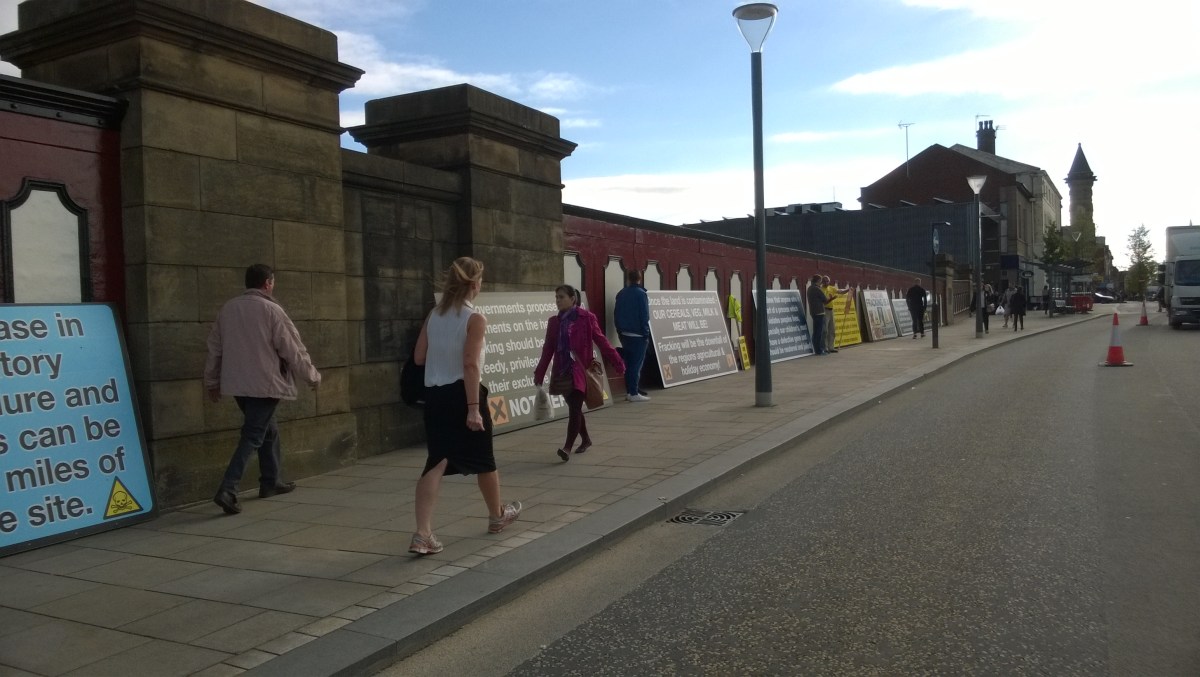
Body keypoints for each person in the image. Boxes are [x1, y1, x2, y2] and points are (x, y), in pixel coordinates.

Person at [409, 257, 521, 554]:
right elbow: (470, 364)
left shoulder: (434, 315)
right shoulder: (475, 319)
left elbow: (419, 357)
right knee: (484, 458)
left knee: (436, 461)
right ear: (475, 284)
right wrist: (473, 408)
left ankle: (422, 534)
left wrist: (442, 353)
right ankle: (496, 517)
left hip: (435, 396)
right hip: (464, 394)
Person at [204, 264, 321, 515]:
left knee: (268, 429)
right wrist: (311, 375)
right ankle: (228, 489)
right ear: (268, 283)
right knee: (253, 434)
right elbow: (292, 349)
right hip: (265, 384)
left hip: (237, 384)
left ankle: (271, 481)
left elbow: (214, 348)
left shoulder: (228, 309)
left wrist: (212, 381)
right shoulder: (272, 310)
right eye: (273, 282)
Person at [534, 285, 625, 462]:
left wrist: (618, 362)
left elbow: (602, 341)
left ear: (573, 299)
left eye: (561, 297)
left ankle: (567, 447)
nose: (557, 300)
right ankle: (586, 439)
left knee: (575, 407)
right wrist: (540, 373)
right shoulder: (554, 322)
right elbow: (548, 349)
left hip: (581, 370)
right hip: (562, 370)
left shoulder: (587, 318)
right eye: (556, 297)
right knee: (574, 407)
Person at [613, 269, 651, 402]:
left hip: (624, 333)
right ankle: (634, 392)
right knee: (636, 365)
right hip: (638, 335)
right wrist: (646, 334)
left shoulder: (621, 293)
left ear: (628, 279)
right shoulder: (642, 294)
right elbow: (644, 315)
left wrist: (619, 330)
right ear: (640, 279)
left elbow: (616, 313)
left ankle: (630, 391)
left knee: (629, 364)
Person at [821, 275, 849, 353]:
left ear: (829, 281)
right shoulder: (820, 289)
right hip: (824, 310)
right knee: (825, 330)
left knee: (832, 329)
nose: (826, 282)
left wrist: (847, 290)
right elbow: (824, 301)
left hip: (831, 310)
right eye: (824, 281)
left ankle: (831, 347)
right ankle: (825, 347)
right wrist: (831, 299)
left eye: (827, 281)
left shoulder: (831, 288)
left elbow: (840, 291)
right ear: (822, 282)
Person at [806, 275, 829, 355]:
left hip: (813, 312)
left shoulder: (809, 288)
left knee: (815, 332)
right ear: (818, 281)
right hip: (819, 312)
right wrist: (831, 298)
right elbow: (825, 300)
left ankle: (815, 349)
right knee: (819, 332)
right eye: (821, 281)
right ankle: (818, 350)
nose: (821, 283)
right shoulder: (817, 289)